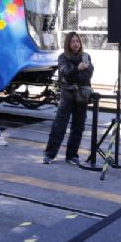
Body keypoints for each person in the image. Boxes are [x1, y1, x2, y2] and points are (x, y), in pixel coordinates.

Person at [43, 32, 93, 164]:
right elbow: (66, 73)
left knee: (78, 126)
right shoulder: (63, 57)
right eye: (73, 42)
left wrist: (74, 73)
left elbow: (87, 75)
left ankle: (72, 155)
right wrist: (78, 69)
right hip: (67, 94)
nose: (76, 44)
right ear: (68, 44)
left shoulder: (86, 56)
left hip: (82, 94)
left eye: (77, 41)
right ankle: (49, 154)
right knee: (59, 125)